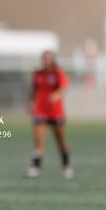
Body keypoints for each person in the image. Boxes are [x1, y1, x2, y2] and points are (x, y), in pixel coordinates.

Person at [25, 50, 73, 179]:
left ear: (52, 60)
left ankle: (66, 165)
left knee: (60, 141)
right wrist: (31, 104)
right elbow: (34, 90)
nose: (45, 60)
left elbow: (64, 87)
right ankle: (36, 167)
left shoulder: (58, 72)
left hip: (56, 111)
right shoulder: (37, 73)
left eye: (48, 58)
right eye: (44, 58)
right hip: (41, 111)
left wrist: (57, 95)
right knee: (39, 140)